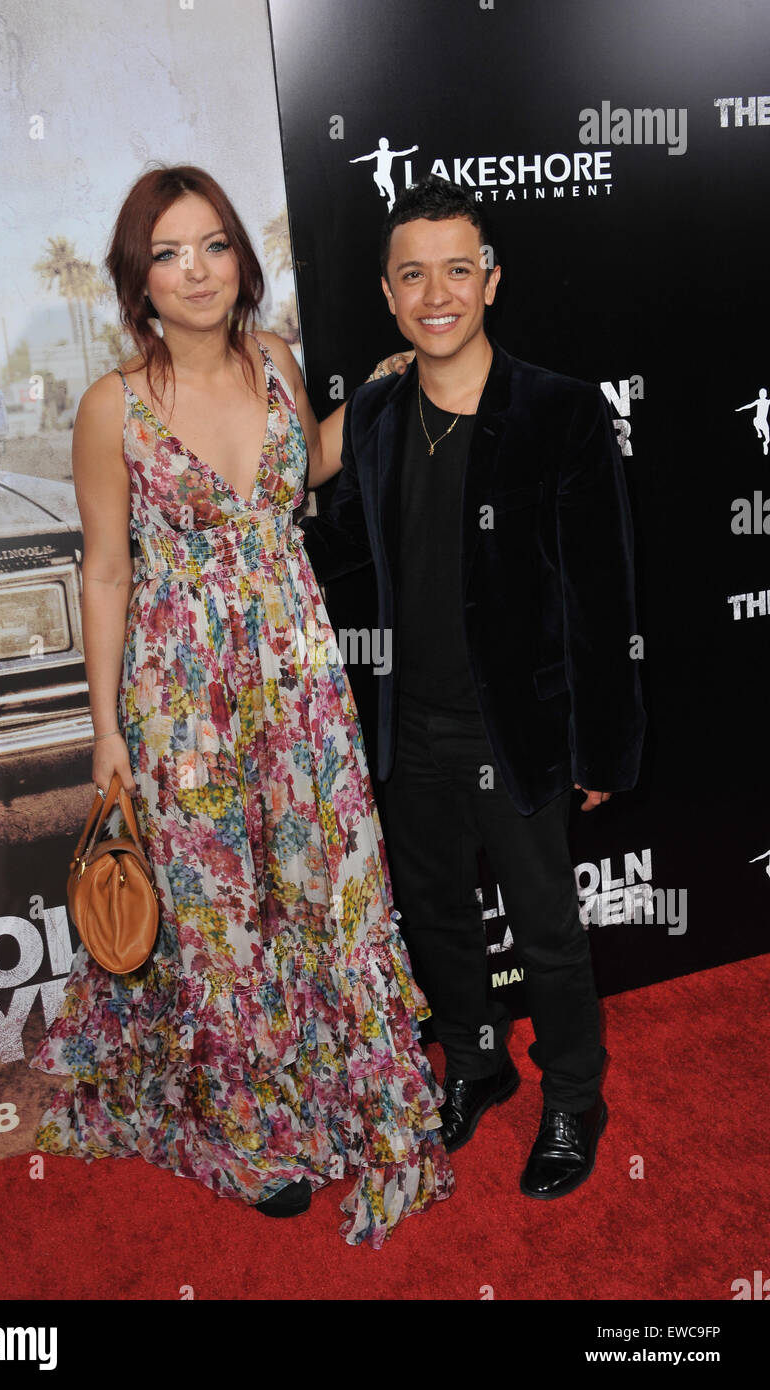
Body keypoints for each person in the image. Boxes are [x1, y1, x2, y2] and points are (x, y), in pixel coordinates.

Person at [29, 165, 454, 1247]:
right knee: (221, 914)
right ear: (139, 280)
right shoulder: (110, 407)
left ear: (239, 260)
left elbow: (301, 477)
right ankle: (257, 1132)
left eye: (213, 244)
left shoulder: (274, 361)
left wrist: (373, 396)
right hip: (183, 698)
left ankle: (341, 1094)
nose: (197, 270)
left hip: (299, 678)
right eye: (169, 253)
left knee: (324, 883)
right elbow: (109, 574)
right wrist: (109, 734)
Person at [300, 175, 646, 1200]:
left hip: (519, 729)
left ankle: (575, 1096)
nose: (436, 291)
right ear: (388, 293)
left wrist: (601, 749)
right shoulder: (374, 412)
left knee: (546, 924)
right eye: (414, 274)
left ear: (490, 281)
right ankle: (478, 1060)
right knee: (436, 917)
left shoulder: (559, 410)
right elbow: (346, 548)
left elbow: (602, 589)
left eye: (458, 268)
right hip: (412, 729)